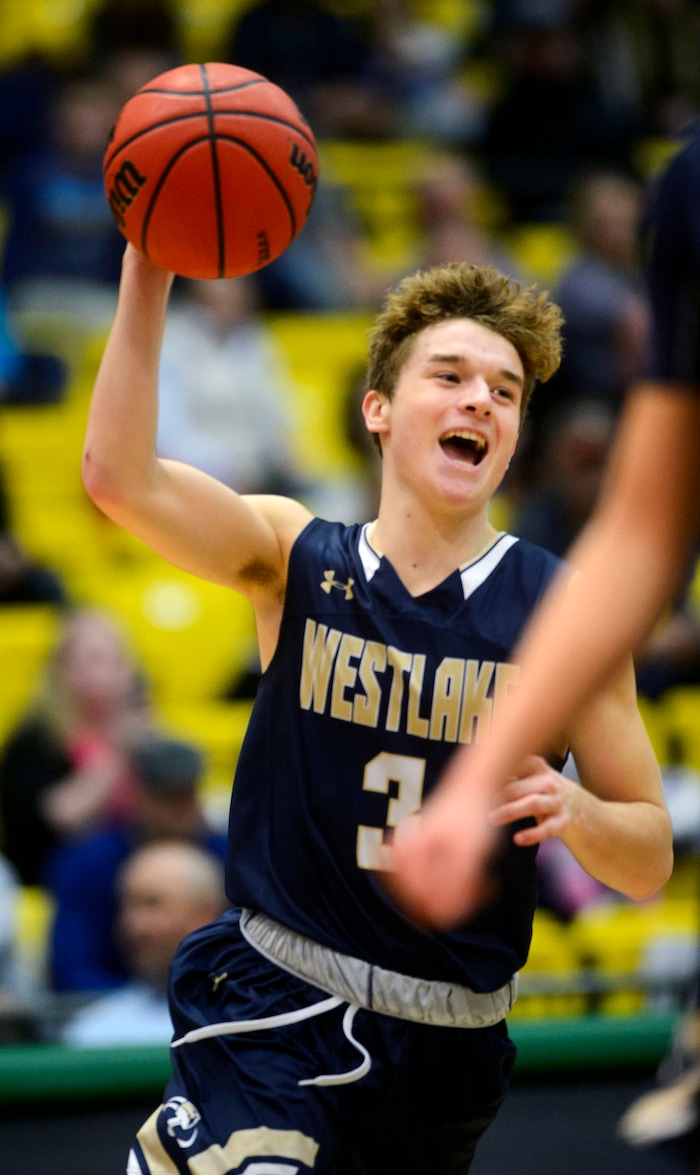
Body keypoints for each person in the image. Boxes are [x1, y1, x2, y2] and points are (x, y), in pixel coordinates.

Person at [82, 247, 671, 1174]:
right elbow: (118, 477)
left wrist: (580, 813)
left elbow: (649, 856)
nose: (481, 399)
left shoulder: (569, 612)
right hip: (276, 995)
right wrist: (150, 267)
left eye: (506, 391)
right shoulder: (290, 553)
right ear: (379, 410)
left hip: (448, 1046)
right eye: (451, 376)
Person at [47, 735, 228, 993]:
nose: (177, 811)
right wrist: (135, 1009)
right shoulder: (89, 862)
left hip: (214, 1001)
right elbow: (73, 968)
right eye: (165, 797)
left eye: (185, 795)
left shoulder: (228, 858)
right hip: (110, 1010)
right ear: (140, 795)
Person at [0, 608, 152, 885]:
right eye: (92, 659)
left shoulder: (147, 731)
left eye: (116, 660)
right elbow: (57, 820)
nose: (106, 672)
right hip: (57, 867)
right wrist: (118, 756)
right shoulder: (35, 739)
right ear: (62, 669)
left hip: (138, 861)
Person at [61, 840, 227, 1047]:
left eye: (152, 904)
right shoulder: (93, 1034)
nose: (133, 925)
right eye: (127, 906)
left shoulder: (253, 1020)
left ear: (205, 915)